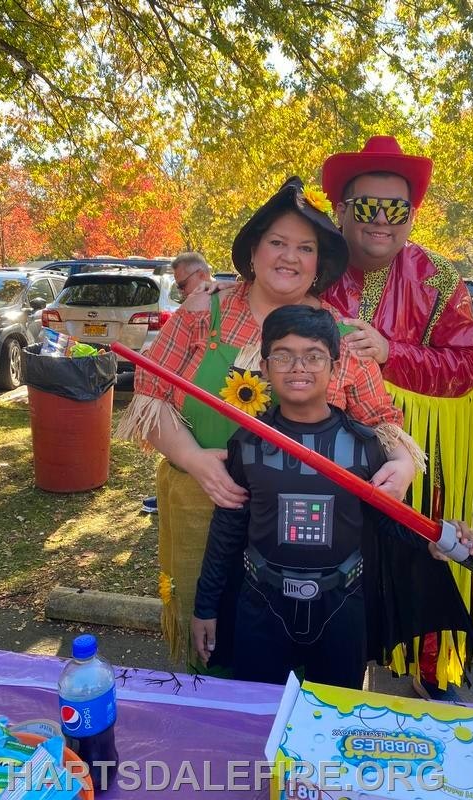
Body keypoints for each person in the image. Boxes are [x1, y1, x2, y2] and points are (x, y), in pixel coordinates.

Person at [118, 177, 423, 668]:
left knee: (312, 674)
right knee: (215, 661)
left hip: (308, 540)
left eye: (305, 248)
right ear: (253, 252)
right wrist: (194, 459)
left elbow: (383, 422)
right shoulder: (198, 316)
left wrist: (404, 465)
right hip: (201, 512)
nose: (290, 257)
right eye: (278, 242)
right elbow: (150, 399)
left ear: (319, 263)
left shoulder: (342, 337)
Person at [192, 306, 473, 689]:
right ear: (264, 367)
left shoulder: (364, 445)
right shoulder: (247, 443)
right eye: (283, 356)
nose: (298, 367)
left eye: (313, 356)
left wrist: (433, 538)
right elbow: (227, 528)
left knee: (335, 718)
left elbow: (387, 520)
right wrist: (205, 607)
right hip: (261, 608)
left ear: (334, 366)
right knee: (260, 715)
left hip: (342, 610)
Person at [321, 136, 473, 699]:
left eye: (397, 209)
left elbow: (467, 366)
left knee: (424, 549)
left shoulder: (437, 277)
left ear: (412, 216)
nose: (382, 220)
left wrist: (392, 353)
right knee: (332, 547)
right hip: (328, 438)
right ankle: (331, 654)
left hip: (420, 444)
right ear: (341, 211)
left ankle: (429, 663)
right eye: (368, 206)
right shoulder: (314, 265)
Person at [141, 252, 213, 514]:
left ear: (202, 275)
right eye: (178, 287)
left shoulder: (220, 307)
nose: (181, 293)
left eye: (183, 285)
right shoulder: (191, 310)